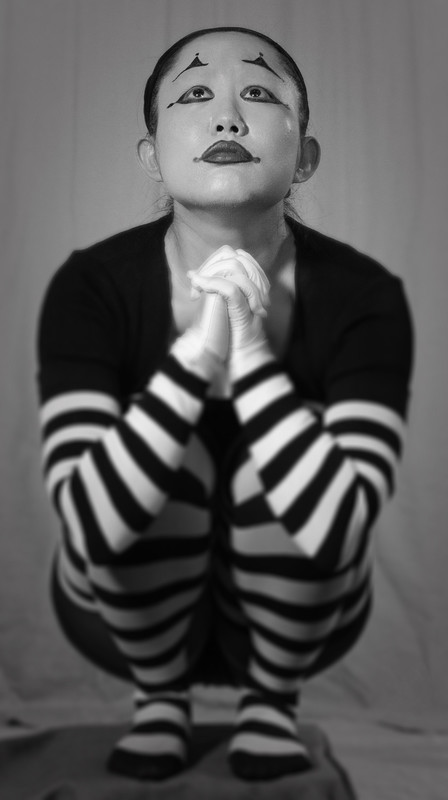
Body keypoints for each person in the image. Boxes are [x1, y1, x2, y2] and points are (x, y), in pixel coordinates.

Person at [36, 26, 413, 782]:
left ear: (305, 155)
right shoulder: (91, 285)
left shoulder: (364, 294)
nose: (228, 117)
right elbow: (89, 524)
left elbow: (340, 528)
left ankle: (271, 700)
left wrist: (248, 348)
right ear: (151, 153)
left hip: (308, 616)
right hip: (117, 613)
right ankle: (159, 696)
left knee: (285, 456)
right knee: (164, 458)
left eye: (261, 94)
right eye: (198, 93)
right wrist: (196, 356)